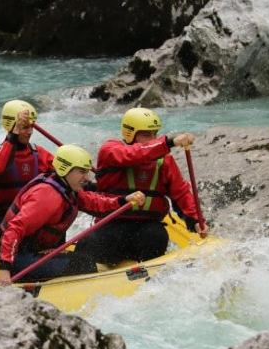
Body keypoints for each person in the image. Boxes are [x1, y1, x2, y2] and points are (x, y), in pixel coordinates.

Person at [76, 107, 209, 266]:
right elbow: (134, 154)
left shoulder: (164, 160)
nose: (152, 138)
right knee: (87, 243)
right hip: (111, 225)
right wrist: (169, 142)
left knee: (157, 236)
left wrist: (195, 219)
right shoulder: (110, 150)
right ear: (129, 134)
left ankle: (149, 274)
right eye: (146, 134)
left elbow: (180, 192)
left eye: (155, 134)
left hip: (146, 227)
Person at [0, 144, 144, 285]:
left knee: (85, 259)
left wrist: (123, 200)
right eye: (81, 171)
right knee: (81, 264)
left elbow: (95, 202)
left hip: (35, 250)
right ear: (65, 169)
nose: (87, 177)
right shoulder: (47, 196)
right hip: (20, 257)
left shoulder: (67, 188)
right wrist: (5, 268)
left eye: (87, 171)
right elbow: (14, 229)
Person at [0, 100, 54, 236]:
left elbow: (63, 175)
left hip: (32, 213)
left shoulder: (38, 152)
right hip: (5, 217)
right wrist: (13, 135)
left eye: (31, 127)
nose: (30, 132)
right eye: (25, 128)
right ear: (12, 127)